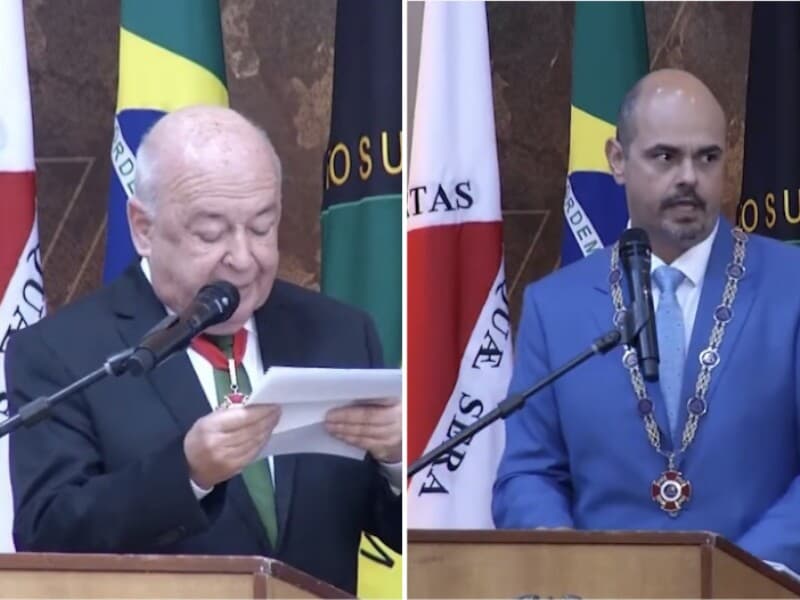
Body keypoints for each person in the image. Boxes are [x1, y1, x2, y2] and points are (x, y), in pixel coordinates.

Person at [6, 105, 401, 594]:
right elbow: (49, 536)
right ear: (143, 229)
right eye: (211, 233)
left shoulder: (340, 333)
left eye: (261, 227)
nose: (242, 258)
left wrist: (397, 461)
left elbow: (394, 534)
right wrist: (186, 473)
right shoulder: (62, 354)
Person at [492, 69, 800, 573]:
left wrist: (741, 574)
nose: (688, 178)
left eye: (707, 157)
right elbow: (529, 472)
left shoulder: (791, 287)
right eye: (665, 156)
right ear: (617, 160)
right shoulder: (556, 306)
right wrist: (560, 556)